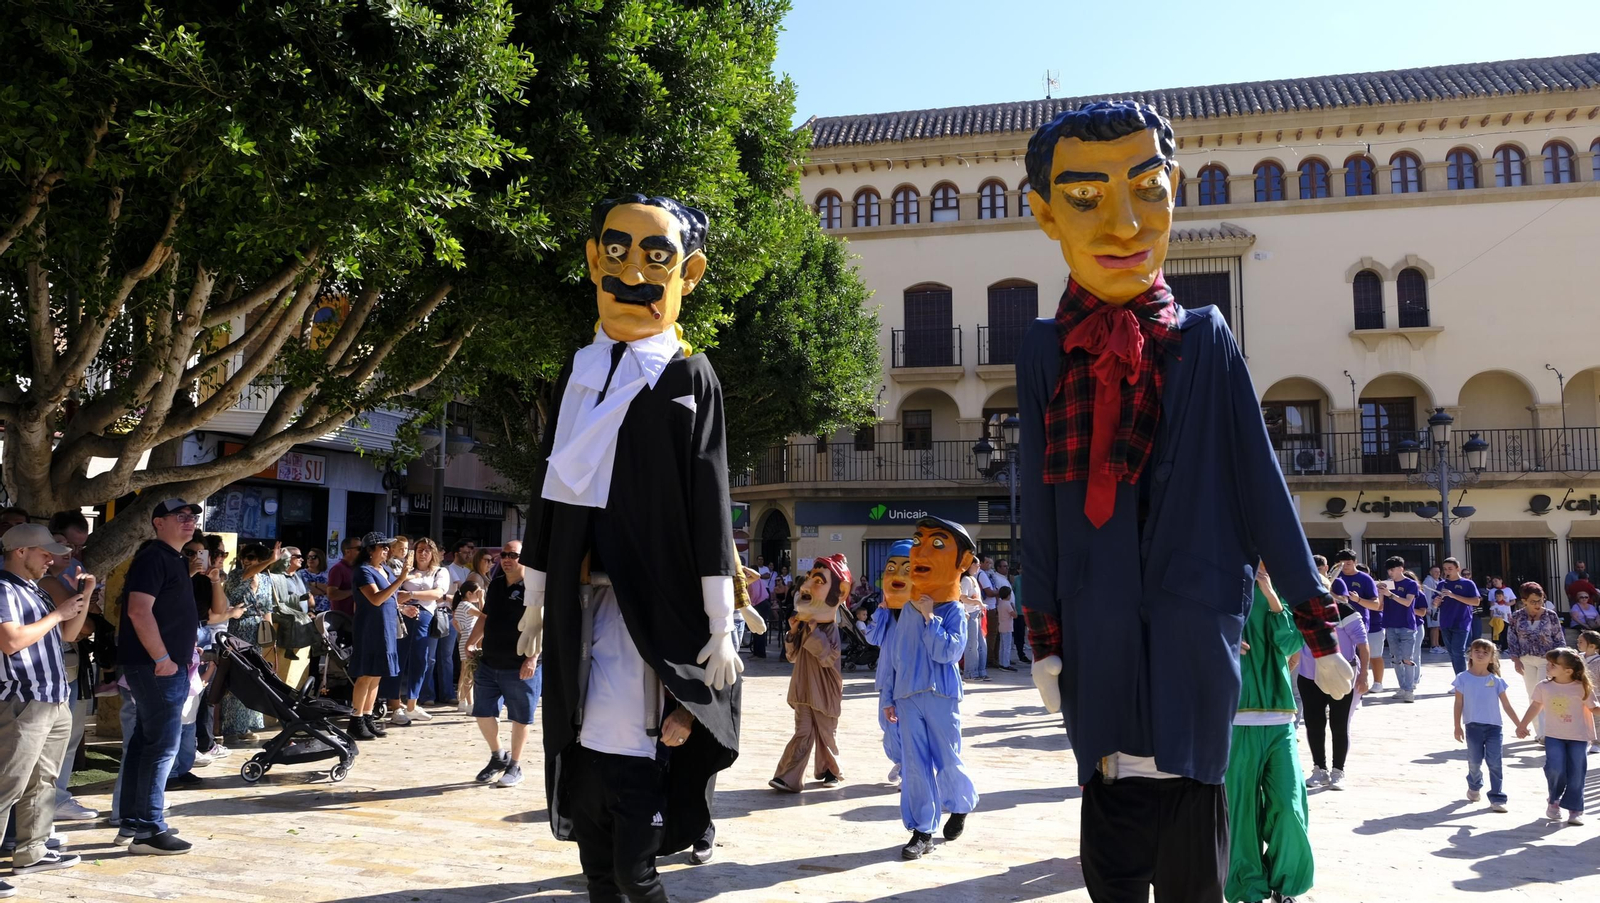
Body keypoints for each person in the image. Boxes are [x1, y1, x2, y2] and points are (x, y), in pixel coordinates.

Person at [521, 194, 740, 901]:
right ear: (593, 261)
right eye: (616, 252)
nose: (632, 271)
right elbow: (552, 488)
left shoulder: (687, 376)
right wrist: (533, 598)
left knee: (632, 875)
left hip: (660, 594)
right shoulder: (580, 371)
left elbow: (708, 499)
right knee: (598, 873)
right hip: (584, 598)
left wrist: (717, 623)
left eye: (657, 256)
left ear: (690, 272)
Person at [0, 524, 92, 893]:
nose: (52, 557)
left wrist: (83, 596)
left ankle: (33, 852)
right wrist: (58, 613)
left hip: (52, 699)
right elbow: (10, 642)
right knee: (7, 784)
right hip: (24, 702)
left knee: (44, 781)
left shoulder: (33, 589)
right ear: (20, 551)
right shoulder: (4, 588)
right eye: (44, 551)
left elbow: (69, 635)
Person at [880, 518, 978, 860]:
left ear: (962, 562)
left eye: (937, 544)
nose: (920, 550)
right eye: (917, 540)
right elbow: (896, 656)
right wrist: (890, 696)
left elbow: (948, 652)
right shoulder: (907, 608)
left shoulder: (954, 611)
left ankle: (961, 804)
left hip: (940, 695)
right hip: (907, 697)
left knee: (948, 758)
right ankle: (922, 830)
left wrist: (929, 618)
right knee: (915, 765)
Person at [118, 499, 204, 855]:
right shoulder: (154, 557)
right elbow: (139, 611)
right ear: (158, 523)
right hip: (157, 668)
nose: (189, 522)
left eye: (193, 517)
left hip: (165, 666)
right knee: (161, 748)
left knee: (144, 743)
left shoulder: (173, 559)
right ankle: (149, 830)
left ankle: (135, 821)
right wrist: (164, 659)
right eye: (180, 517)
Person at [1225, 562, 1313, 903]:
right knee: (1240, 813)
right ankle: (1247, 890)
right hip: (1232, 717)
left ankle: (1287, 886)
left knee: (1290, 807)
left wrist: (1272, 597)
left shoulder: (1283, 591)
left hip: (1279, 717)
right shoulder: (1219, 585)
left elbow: (1291, 643)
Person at [769, 556, 850, 793]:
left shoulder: (830, 628)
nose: (805, 587)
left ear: (840, 592)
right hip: (803, 689)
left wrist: (816, 633)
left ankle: (831, 771)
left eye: (817, 581)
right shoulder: (804, 626)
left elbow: (829, 657)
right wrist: (793, 632)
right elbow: (791, 655)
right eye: (807, 579)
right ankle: (788, 778)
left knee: (826, 734)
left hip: (825, 691)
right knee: (802, 733)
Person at [464, 543, 541, 788]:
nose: (506, 559)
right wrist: (471, 641)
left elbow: (543, 625)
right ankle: (498, 756)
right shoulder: (496, 584)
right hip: (490, 661)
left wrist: (533, 657)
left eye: (513, 555)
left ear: (524, 559)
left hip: (520, 664)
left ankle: (515, 765)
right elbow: (486, 617)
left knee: (520, 717)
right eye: (504, 555)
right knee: (483, 712)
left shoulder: (535, 588)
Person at [1515, 647, 1595, 826]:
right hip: (1553, 736)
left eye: (1553, 664)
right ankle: (1554, 800)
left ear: (1568, 670)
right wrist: (1522, 724)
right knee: (1555, 768)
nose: (1548, 666)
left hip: (1579, 737)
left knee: (1577, 772)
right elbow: (1535, 706)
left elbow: (1594, 708)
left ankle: (1575, 809)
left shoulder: (1582, 687)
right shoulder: (1543, 686)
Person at [1300, 590, 1368, 790]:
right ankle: (1319, 769)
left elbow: (1363, 646)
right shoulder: (1301, 611)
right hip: (1309, 675)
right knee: (1313, 724)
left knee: (1339, 725)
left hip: (1341, 677)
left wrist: (1364, 675)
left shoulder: (1346, 612)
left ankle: (1338, 771)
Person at [1452, 638, 1518, 813]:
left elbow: (1506, 705)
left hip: (1494, 728)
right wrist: (1457, 726)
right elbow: (1458, 703)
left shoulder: (1496, 680)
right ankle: (1474, 784)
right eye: (1477, 651)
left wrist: (1520, 724)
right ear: (1471, 654)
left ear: (1492, 658)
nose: (1480, 655)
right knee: (1474, 761)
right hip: (1472, 726)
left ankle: (1497, 797)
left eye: (1485, 652)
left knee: (1495, 762)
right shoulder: (1462, 678)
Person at [387, 537, 448, 727]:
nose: (423, 553)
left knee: (421, 660)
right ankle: (395, 705)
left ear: (433, 554)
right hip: (402, 616)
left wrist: (411, 595)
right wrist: (403, 602)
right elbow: (392, 592)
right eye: (420, 549)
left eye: (427, 550)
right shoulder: (405, 571)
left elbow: (438, 594)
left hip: (424, 617)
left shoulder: (440, 571)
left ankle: (412, 704)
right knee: (399, 658)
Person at [220, 543, 277, 743]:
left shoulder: (265, 580)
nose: (247, 561)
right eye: (245, 556)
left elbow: (268, 606)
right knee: (236, 678)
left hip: (256, 634)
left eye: (252, 557)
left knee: (254, 678)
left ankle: (245, 725)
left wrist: (269, 632)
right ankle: (230, 728)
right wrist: (271, 559)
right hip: (237, 630)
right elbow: (245, 575)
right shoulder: (236, 576)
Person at [347, 532, 402, 741]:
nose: (387, 550)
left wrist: (405, 604)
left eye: (388, 547)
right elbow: (376, 598)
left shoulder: (386, 570)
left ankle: (368, 716)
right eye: (383, 547)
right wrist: (402, 579)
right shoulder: (362, 571)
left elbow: (391, 596)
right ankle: (356, 719)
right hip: (370, 626)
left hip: (386, 625)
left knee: (378, 672)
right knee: (366, 673)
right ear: (370, 550)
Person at [1506, 583, 1567, 741]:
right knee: (1532, 695)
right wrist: (1516, 660)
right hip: (1526, 660)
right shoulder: (1517, 616)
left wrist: (1558, 661)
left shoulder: (1551, 616)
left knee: (1543, 694)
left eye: (1540, 600)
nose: (1538, 604)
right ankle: (1539, 732)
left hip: (1546, 661)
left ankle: (1546, 733)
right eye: (1533, 601)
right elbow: (1512, 641)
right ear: (1524, 600)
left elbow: (1559, 639)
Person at [1332, 551, 1383, 692]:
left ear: (1354, 562)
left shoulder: (1365, 579)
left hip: (1358, 624)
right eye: (1341, 564)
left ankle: (1358, 691)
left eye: (1348, 563)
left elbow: (1376, 605)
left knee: (1358, 657)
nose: (1345, 566)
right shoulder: (1335, 578)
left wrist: (1358, 600)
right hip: (1336, 624)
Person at [1376, 556, 1421, 702]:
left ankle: (1409, 690)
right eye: (1389, 570)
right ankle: (1402, 687)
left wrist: (1391, 595)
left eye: (1393, 569)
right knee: (1395, 659)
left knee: (1407, 659)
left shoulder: (1411, 584)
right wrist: (1380, 594)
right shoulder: (1387, 584)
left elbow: (1408, 603)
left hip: (1407, 626)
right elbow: (1380, 606)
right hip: (1390, 625)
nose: (1390, 572)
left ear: (1401, 568)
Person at [1434, 558, 1479, 674]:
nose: (1447, 571)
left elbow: (1476, 601)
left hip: (1461, 621)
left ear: (1457, 569)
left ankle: (1461, 681)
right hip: (1445, 622)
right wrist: (1436, 602)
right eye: (1445, 569)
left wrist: (1453, 595)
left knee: (1458, 651)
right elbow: (1435, 604)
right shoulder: (1441, 584)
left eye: (1450, 569)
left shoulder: (1468, 583)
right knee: (1452, 652)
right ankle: (1460, 678)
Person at [959, 559, 985, 681]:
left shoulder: (973, 579)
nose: (979, 566)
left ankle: (980, 670)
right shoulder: (965, 580)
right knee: (971, 644)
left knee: (979, 644)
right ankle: (970, 672)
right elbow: (962, 597)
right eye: (976, 564)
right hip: (969, 614)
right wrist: (976, 602)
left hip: (976, 613)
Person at [326, 536, 361, 618]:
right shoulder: (338, 569)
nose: (362, 552)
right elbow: (332, 594)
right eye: (359, 549)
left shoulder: (358, 568)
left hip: (357, 617)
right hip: (343, 620)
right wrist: (354, 591)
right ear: (348, 551)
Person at [745, 557, 772, 659]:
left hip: (760, 604)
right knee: (755, 628)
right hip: (760, 604)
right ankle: (756, 652)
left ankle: (760, 654)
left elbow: (755, 594)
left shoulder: (754, 580)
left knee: (759, 628)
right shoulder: (756, 579)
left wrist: (750, 604)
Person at [1579, 630, 1600, 754]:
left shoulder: (1598, 661)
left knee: (1597, 719)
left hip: (1596, 694)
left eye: (1581, 642)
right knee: (1582, 717)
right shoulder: (1578, 657)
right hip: (1579, 694)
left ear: (1592, 646)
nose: (1578, 643)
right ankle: (1584, 739)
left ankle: (1597, 742)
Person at [298, 549, 331, 614]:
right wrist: (323, 591)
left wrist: (315, 584)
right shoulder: (300, 573)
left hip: (326, 610)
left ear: (320, 558)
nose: (310, 559)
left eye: (313, 557)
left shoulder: (327, 574)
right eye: (308, 557)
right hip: (309, 611)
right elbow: (306, 590)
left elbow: (330, 590)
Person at [996, 585, 1017, 672]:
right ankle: (1006, 664)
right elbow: (1014, 615)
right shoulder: (1007, 604)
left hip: (1001, 626)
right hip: (1008, 628)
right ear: (1008, 595)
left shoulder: (1000, 603)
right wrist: (1013, 607)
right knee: (1007, 647)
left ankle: (1001, 663)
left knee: (1002, 646)